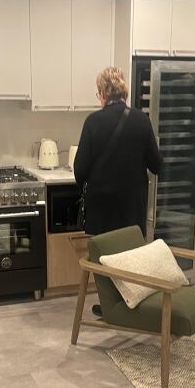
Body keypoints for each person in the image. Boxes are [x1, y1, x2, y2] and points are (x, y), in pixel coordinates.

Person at [73, 67, 162, 316]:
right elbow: (156, 165)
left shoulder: (93, 122)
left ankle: (109, 305)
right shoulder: (141, 121)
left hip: (102, 206)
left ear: (102, 93)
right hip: (131, 205)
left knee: (104, 256)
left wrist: (87, 187)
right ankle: (130, 303)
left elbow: (79, 169)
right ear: (124, 92)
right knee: (130, 254)